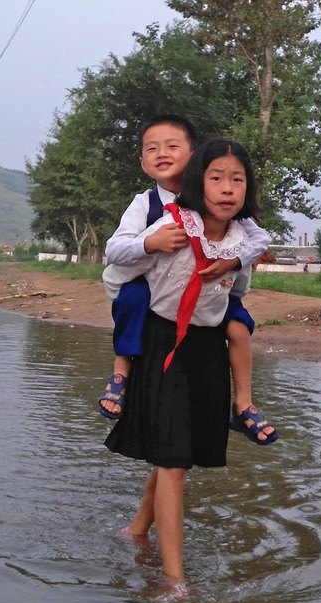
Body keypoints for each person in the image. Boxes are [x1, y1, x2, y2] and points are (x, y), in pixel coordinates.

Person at [102, 138, 268, 593]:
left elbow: (239, 292)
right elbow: (119, 258)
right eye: (216, 178)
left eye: (238, 179)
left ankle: (138, 529)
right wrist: (149, 246)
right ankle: (175, 581)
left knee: (178, 454)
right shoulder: (172, 224)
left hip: (206, 348)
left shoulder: (242, 242)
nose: (227, 188)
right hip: (163, 343)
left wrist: (233, 260)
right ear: (198, 182)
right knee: (173, 461)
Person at [98, 115, 275, 444]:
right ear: (142, 162)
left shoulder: (218, 201)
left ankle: (244, 402)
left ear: (194, 156)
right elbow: (115, 250)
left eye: (172, 146)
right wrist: (150, 243)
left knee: (238, 329)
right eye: (152, 149)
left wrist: (233, 260)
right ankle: (121, 372)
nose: (161, 153)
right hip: (151, 288)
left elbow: (259, 238)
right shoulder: (148, 206)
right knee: (134, 302)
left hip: (211, 294)